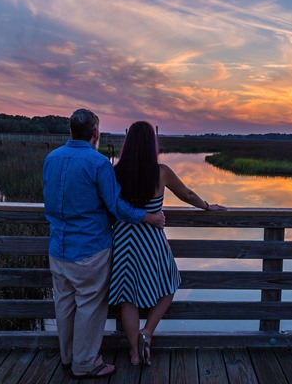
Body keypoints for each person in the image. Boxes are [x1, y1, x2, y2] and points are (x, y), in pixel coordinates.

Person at [43, 109, 165, 379]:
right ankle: (85, 363)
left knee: (64, 305)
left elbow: (49, 201)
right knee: (89, 306)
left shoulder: (51, 159)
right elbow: (116, 207)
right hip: (90, 248)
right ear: (96, 133)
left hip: (57, 248)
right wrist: (147, 216)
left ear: (70, 129)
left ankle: (68, 357)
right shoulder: (98, 164)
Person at [108, 121, 226, 366]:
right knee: (170, 283)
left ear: (128, 144)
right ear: (152, 144)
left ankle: (133, 353)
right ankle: (147, 333)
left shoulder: (115, 171)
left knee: (127, 297)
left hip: (123, 240)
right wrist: (207, 206)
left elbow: (109, 205)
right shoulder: (160, 172)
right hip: (151, 241)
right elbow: (187, 194)